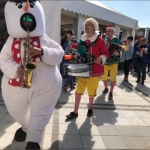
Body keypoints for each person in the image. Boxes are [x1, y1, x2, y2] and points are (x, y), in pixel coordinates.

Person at [0, 0, 64, 149]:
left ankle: (34, 139)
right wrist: (16, 69)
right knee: (17, 109)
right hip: (19, 81)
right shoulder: (10, 41)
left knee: (40, 111)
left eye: (30, 19)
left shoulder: (44, 38)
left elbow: (60, 53)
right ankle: (26, 126)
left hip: (45, 84)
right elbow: (3, 59)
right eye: (25, 19)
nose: (28, 23)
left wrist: (42, 51)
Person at [66, 18, 109, 118]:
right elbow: (80, 51)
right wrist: (76, 54)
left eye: (89, 24)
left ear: (94, 27)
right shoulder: (82, 39)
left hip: (94, 71)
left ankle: (90, 108)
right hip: (83, 69)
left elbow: (105, 53)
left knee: (91, 92)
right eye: (86, 25)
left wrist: (101, 58)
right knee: (78, 91)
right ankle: (75, 111)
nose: (86, 26)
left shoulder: (99, 40)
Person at [101, 25, 121, 100]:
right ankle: (106, 88)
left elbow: (120, 49)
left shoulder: (116, 40)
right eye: (107, 31)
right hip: (105, 61)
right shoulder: (103, 39)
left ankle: (111, 92)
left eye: (109, 31)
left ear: (113, 32)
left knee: (113, 78)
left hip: (114, 62)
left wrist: (118, 53)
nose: (107, 32)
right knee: (103, 77)